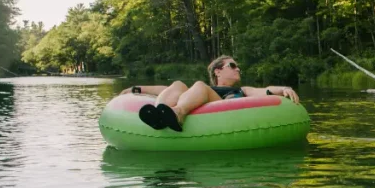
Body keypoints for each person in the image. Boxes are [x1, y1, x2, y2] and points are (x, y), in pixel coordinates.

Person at [124, 55, 301, 131]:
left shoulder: (241, 90)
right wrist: (136, 89)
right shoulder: (195, 91)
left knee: (200, 86)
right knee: (178, 84)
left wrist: (285, 89)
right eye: (232, 66)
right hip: (193, 99)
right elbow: (164, 89)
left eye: (237, 66)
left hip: (222, 109)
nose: (237, 69)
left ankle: (177, 113)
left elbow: (265, 90)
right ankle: (160, 116)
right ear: (218, 71)